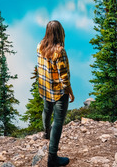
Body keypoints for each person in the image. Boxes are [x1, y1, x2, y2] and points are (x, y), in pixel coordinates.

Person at [37, 20, 74, 166]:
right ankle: (52, 158)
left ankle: (46, 131)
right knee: (58, 122)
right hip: (58, 91)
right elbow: (63, 75)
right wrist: (70, 91)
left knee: (47, 110)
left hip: (45, 89)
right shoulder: (60, 51)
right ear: (60, 32)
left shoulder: (40, 46)